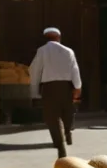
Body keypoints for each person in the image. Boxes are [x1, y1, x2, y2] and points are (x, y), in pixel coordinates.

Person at [29, 27, 81, 158]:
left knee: (52, 117)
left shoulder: (42, 51)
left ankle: (60, 146)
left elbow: (35, 70)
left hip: (50, 87)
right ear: (59, 37)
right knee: (67, 111)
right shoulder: (68, 51)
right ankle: (68, 132)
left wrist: (34, 91)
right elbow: (75, 70)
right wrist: (77, 87)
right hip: (66, 86)